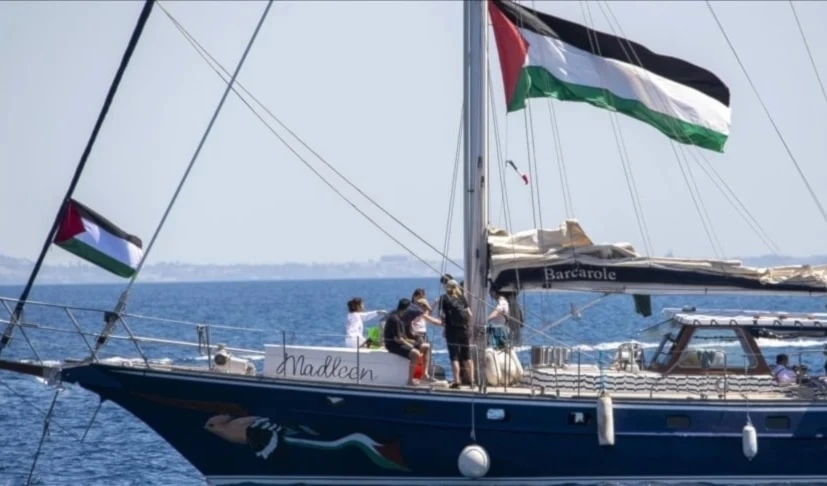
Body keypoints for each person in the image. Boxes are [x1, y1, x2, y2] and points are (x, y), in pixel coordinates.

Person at [384, 298, 433, 386]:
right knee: (415, 353)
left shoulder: (400, 318)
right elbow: (398, 339)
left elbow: (405, 336)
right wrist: (411, 346)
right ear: (406, 309)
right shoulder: (395, 319)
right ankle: (410, 380)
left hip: (401, 342)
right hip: (393, 345)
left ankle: (424, 374)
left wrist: (416, 340)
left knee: (426, 346)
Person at [440, 280, 474, 389]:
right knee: (467, 356)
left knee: (454, 356)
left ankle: (457, 381)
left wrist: (445, 325)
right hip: (464, 330)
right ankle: (472, 381)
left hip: (452, 330)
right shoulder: (462, 298)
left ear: (447, 287)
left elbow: (441, 315)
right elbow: (470, 314)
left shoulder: (444, 298)